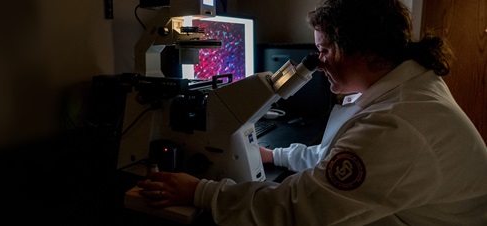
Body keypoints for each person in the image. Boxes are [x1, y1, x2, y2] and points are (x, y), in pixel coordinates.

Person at [136, 0, 487, 225]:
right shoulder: (403, 89)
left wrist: (201, 192)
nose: (317, 65)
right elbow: (334, 156)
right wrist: (274, 154)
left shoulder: (398, 124)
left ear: (361, 50)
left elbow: (300, 208)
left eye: (323, 50)